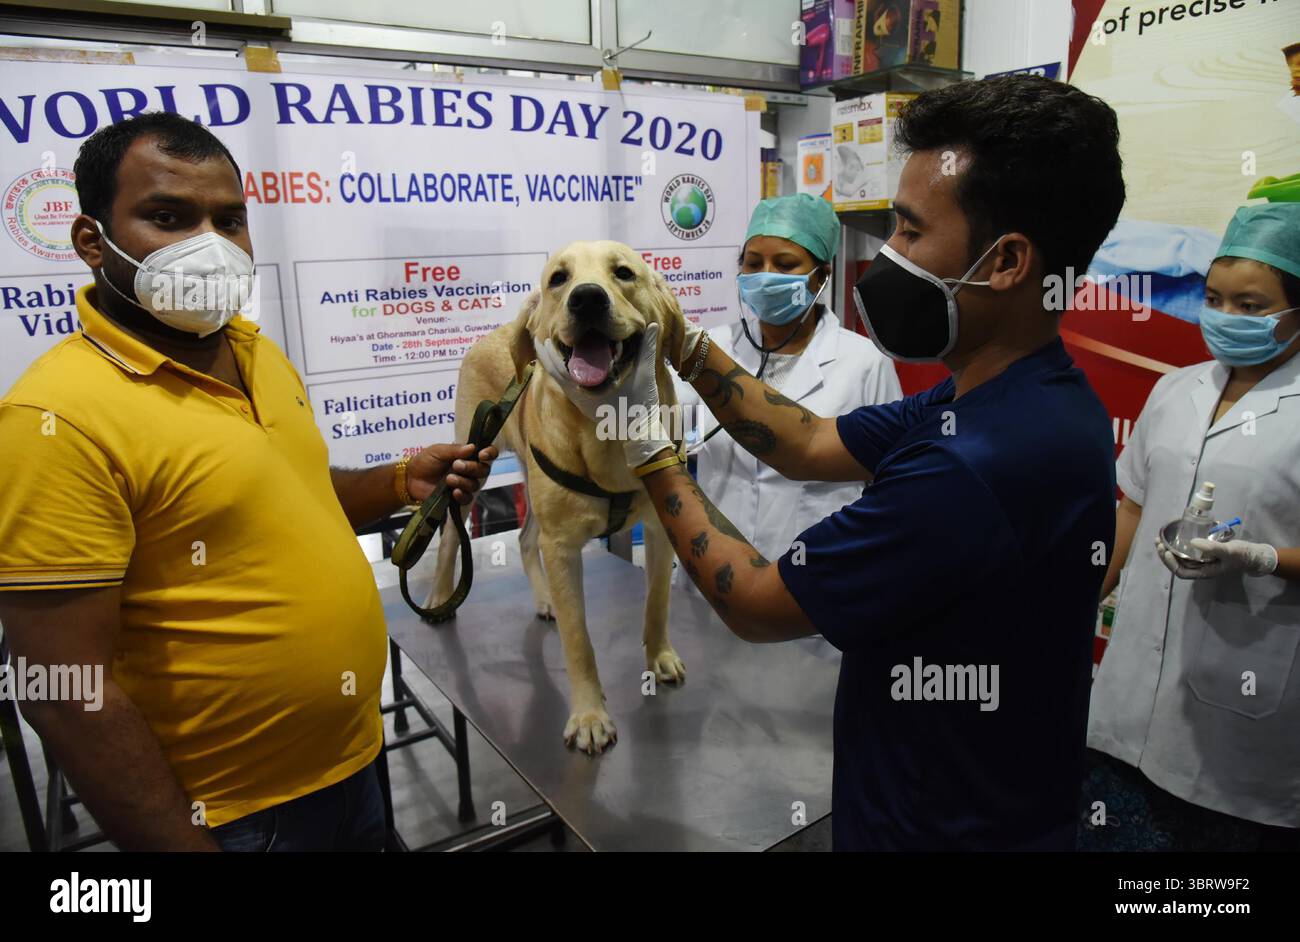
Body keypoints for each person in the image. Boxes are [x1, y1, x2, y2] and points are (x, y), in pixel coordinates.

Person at [537, 74, 1125, 850]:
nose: (889, 255)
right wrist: (677, 337)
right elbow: (810, 442)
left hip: (940, 829)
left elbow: (754, 603)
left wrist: (651, 442)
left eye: (910, 232)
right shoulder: (1020, 397)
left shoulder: (976, 466)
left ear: (1008, 260)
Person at [0, 112, 496, 852]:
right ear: (90, 242)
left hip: (353, 764)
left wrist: (398, 481)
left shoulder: (253, 350)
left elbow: (292, 494)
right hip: (234, 818)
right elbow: (68, 692)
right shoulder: (55, 419)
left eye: (228, 219)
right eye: (168, 217)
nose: (209, 244)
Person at [1084, 202, 1300, 851]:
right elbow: (1131, 503)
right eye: (1213, 298)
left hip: (1245, 727)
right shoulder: (1175, 390)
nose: (1224, 318)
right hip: (1123, 711)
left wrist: (1259, 558)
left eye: (1251, 305)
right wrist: (1084, 591)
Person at [675, 193, 900, 580]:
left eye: (784, 264)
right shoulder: (709, 351)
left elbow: (893, 482)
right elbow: (666, 427)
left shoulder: (864, 362)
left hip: (820, 581)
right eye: (752, 263)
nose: (766, 274)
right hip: (714, 575)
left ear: (821, 275)